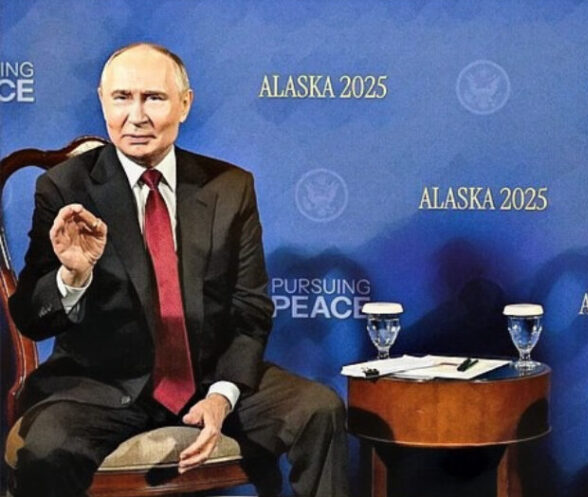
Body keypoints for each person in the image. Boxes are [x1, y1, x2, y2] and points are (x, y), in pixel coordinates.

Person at [8, 42, 348, 497]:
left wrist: (221, 396)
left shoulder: (230, 187)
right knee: (45, 449)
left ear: (185, 104)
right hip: (99, 387)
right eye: (122, 98)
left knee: (319, 409)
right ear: (103, 102)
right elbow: (30, 317)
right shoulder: (65, 187)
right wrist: (73, 277)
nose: (136, 116)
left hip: (207, 376)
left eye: (153, 98)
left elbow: (250, 310)